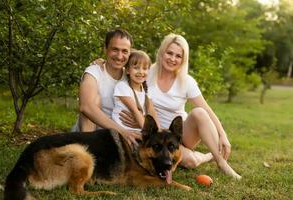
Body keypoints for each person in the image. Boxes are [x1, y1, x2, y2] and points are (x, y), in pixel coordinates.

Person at [120, 33, 242, 179]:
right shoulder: (147, 72)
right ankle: (207, 156)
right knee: (190, 161)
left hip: (179, 133)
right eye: (169, 53)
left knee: (199, 112)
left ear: (183, 59)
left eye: (178, 56)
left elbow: (207, 109)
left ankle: (221, 163)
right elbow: (128, 66)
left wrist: (223, 135)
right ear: (161, 52)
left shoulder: (187, 81)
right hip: (157, 137)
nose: (172, 59)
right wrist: (102, 62)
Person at [73, 29, 141, 146]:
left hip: (119, 138)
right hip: (92, 134)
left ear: (130, 53)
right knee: (95, 100)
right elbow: (86, 107)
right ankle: (88, 149)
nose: (120, 56)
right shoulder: (94, 72)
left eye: (125, 51)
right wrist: (122, 132)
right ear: (105, 49)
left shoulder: (131, 76)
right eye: (115, 49)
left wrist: (139, 118)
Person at [112, 50, 159, 131]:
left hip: (138, 130)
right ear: (127, 70)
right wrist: (149, 132)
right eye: (136, 68)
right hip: (121, 131)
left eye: (145, 68)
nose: (141, 72)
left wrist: (158, 131)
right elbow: (135, 111)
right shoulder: (123, 87)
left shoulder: (146, 91)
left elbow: (152, 112)